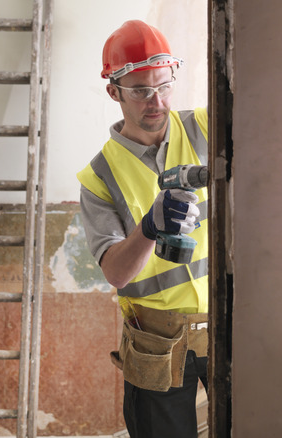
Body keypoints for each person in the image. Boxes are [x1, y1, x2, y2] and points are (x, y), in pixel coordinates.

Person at [76, 20, 209, 438]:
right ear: (114, 91)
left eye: (164, 85)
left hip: (227, 320)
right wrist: (149, 227)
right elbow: (116, 273)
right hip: (155, 339)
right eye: (140, 90)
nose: (157, 101)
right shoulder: (98, 176)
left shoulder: (208, 127)